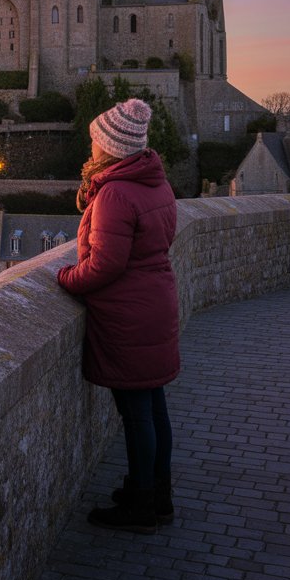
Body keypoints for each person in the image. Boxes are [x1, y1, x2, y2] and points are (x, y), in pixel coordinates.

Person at [57, 98, 179, 534]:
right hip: (155, 304)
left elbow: (104, 265)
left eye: (94, 141)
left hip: (129, 315)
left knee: (136, 413)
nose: (90, 148)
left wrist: (66, 278)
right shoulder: (155, 184)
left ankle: (142, 506)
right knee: (154, 407)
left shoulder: (115, 193)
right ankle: (157, 494)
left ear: (110, 147)